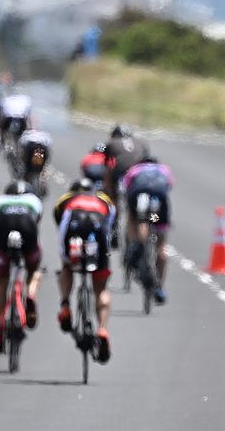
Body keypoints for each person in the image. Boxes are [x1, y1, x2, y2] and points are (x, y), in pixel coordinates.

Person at [53, 177, 115, 363]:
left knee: (67, 266)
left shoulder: (66, 198)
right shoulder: (104, 199)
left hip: (74, 222)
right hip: (98, 226)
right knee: (101, 287)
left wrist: (67, 257)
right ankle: (102, 328)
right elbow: (110, 224)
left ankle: (65, 305)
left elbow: (59, 221)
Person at [0, 180, 45, 354]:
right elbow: (37, 221)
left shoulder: (0, 200)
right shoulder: (34, 200)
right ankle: (30, 294)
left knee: (2, 280)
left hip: (4, 229)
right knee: (34, 270)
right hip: (27, 228)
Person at [120, 154, 174, 304]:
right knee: (158, 234)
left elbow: (124, 188)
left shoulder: (134, 169)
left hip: (138, 196)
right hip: (158, 204)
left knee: (134, 217)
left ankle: (136, 244)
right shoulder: (164, 169)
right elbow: (169, 187)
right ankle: (159, 288)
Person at [17, 129, 53, 197]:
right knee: (42, 168)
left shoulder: (26, 134)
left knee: (27, 169)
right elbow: (48, 150)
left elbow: (22, 151)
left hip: (30, 147)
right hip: (42, 149)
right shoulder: (45, 134)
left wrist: (22, 161)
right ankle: (43, 182)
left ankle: (25, 184)